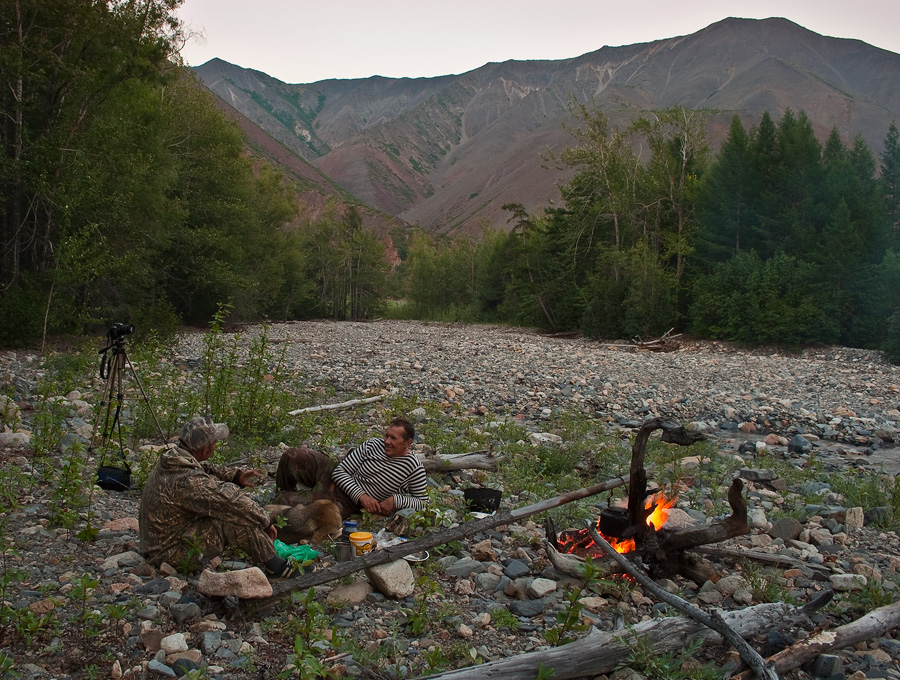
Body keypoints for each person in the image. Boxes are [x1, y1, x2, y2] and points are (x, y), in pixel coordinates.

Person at [139, 415, 297, 578]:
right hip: (170, 554)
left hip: (155, 544)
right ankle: (276, 567)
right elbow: (232, 502)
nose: (216, 444)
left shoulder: (173, 458)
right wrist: (265, 521)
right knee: (233, 518)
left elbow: (205, 467)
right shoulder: (190, 481)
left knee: (225, 504)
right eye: (215, 442)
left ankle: (270, 559)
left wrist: (236, 476)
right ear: (205, 449)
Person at [275, 417, 428, 519]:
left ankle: (287, 498)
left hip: (345, 500)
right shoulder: (373, 445)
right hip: (336, 475)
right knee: (292, 456)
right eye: (386, 436)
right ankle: (285, 488)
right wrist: (362, 496)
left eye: (393, 438)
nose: (387, 441)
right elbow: (339, 472)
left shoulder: (413, 467)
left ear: (407, 442)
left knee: (281, 505)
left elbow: (424, 503)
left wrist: (395, 500)